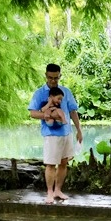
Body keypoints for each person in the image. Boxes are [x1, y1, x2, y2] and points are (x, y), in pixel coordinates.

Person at [28, 63, 83, 204]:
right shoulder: (39, 93)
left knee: (64, 162)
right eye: (50, 77)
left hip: (67, 132)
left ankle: (58, 190)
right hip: (51, 134)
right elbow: (33, 113)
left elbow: (73, 112)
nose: (53, 80)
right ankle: (49, 193)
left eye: (56, 78)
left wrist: (79, 130)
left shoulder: (66, 92)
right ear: (46, 76)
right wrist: (49, 115)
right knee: (51, 164)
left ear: (60, 76)